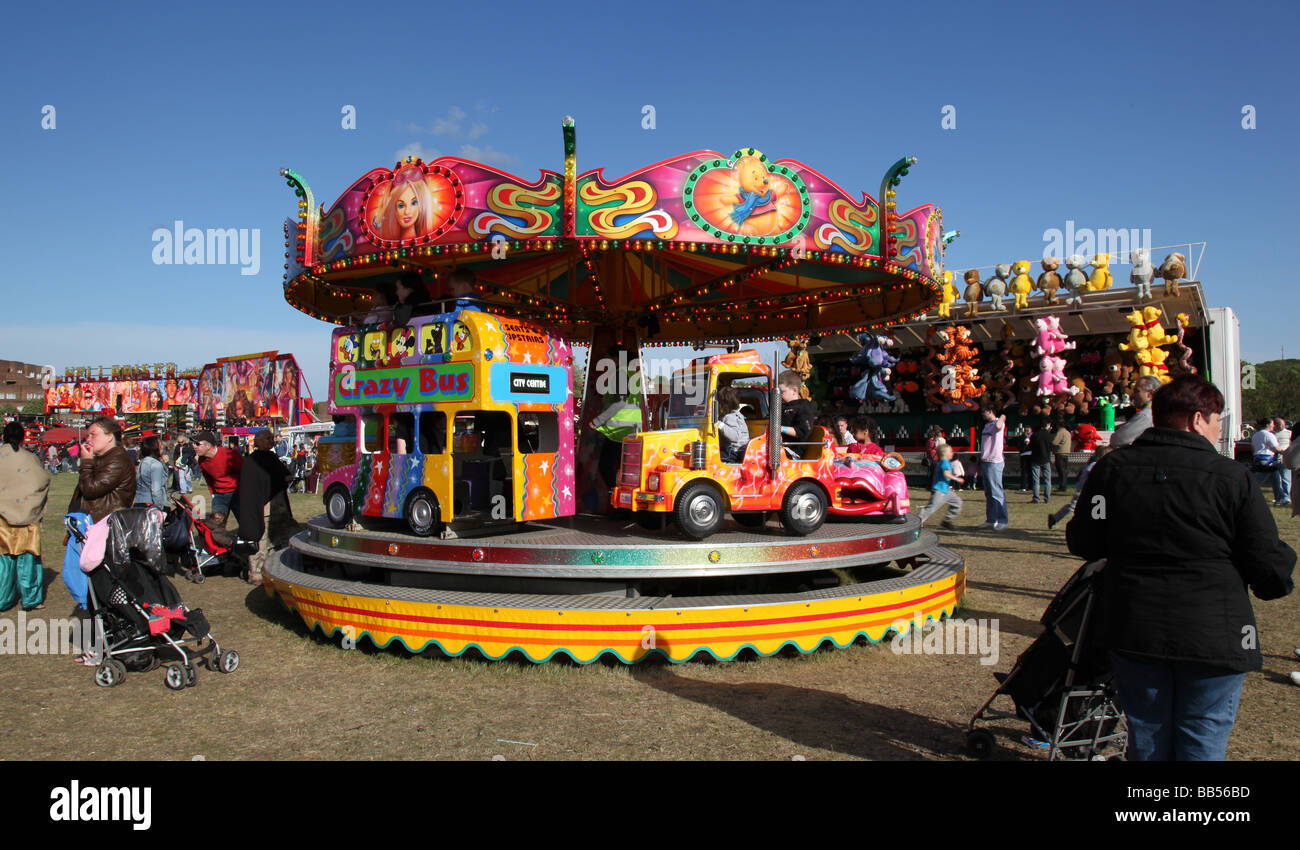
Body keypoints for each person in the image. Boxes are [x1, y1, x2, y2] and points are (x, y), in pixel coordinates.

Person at [1066, 375, 1295, 760]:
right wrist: (1278, 571)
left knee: (1148, 737)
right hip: (1213, 632)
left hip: (1135, 626)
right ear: (1196, 419)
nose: (1220, 428)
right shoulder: (1231, 477)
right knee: (1201, 737)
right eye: (1218, 418)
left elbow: (1086, 539)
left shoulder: (1114, 470)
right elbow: (1267, 562)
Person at [65, 416, 136, 623]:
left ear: (109, 436)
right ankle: (102, 638)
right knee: (89, 586)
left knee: (101, 587)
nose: (89, 439)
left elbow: (91, 489)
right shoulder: (105, 458)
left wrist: (86, 463)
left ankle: (108, 638)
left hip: (105, 530)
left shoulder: (117, 459)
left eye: (93, 434)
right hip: (95, 528)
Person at [235, 430, 298, 586]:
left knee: (278, 537)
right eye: (268, 438)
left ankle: (274, 568)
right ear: (259, 441)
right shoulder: (251, 461)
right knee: (260, 539)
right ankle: (255, 572)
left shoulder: (272, 457)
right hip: (261, 506)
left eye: (272, 438)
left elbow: (281, 475)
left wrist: (286, 478)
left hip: (278, 504)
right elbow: (253, 485)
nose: (272, 441)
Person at [0, 421, 51, 612]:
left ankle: (2, 599)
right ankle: (30, 599)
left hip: (1, 519)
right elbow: (42, 480)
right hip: (27, 517)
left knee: (3, 561)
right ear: (23, 438)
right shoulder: (29, 459)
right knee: (28, 558)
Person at [1048, 444, 1109, 529]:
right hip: (1084, 489)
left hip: (1089, 490)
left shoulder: (1095, 464)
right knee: (1073, 507)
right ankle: (1056, 518)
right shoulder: (1094, 466)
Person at [193, 430, 242, 528]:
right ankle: (220, 542)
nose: (194, 446)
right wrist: (213, 493)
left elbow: (244, 472)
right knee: (216, 525)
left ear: (208, 446)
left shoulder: (229, 455)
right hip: (219, 496)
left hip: (237, 494)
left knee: (246, 522)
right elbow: (208, 478)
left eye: (197, 444)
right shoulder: (202, 460)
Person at [916, 443, 963, 530]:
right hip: (939, 491)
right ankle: (917, 522)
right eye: (951, 452)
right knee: (931, 507)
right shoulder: (944, 462)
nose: (952, 453)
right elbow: (946, 474)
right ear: (945, 454)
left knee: (957, 502)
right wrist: (957, 479)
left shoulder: (944, 462)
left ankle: (946, 521)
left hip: (946, 490)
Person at [976, 407, 1008, 530]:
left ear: (990, 411)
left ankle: (1002, 520)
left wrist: (1003, 415)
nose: (983, 414)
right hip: (985, 461)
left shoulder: (998, 423)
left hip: (994, 462)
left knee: (997, 492)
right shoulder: (987, 426)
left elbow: (999, 426)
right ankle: (991, 519)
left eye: (984, 411)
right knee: (989, 493)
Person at [1109, 375, 1161, 448]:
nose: (1132, 395)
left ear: (1150, 394)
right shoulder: (1158, 411)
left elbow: (1118, 439)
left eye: (1136, 391)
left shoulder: (1147, 414)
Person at [778, 370, 816, 458]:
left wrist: (780, 428)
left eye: (782, 392)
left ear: (794, 390)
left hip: (793, 451)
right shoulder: (782, 407)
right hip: (780, 447)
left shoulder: (803, 407)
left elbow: (803, 431)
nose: (779, 395)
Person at [1249, 418, 1284, 505]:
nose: (1273, 426)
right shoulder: (1269, 435)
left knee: (1272, 478)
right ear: (1268, 425)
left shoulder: (1255, 435)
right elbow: (1276, 448)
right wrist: (1285, 452)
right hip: (1268, 460)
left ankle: (1279, 498)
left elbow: (1253, 449)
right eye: (1272, 424)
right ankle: (1279, 498)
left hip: (1257, 459)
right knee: (1273, 479)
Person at [716, 386, 750, 464]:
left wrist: (719, 424)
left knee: (713, 458)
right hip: (738, 450)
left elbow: (734, 437)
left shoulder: (729, 417)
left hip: (734, 452)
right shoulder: (736, 415)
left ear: (722, 404)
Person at [133, 434, 168, 508]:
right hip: (150, 503)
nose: (162, 446)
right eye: (160, 444)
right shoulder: (156, 465)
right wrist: (159, 506)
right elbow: (156, 490)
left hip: (138, 501)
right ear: (154, 447)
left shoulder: (143, 461)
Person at [1028, 418, 1054, 503]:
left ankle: (1036, 498)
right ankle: (1047, 498)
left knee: (1036, 479)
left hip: (1035, 458)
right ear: (1048, 425)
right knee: (1047, 479)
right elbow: (1051, 447)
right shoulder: (1049, 435)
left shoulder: (1034, 435)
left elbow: (1030, 446)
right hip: (1046, 458)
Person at [1271, 417, 1291, 507]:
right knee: (1276, 479)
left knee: (1286, 479)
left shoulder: (1289, 433)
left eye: (1283, 424)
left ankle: (1286, 497)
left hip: (1285, 458)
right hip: (1273, 459)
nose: (1282, 426)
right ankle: (1278, 497)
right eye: (1279, 424)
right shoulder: (1271, 434)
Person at [1050, 416, 1072, 492]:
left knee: (1061, 471)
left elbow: (1054, 442)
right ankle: (1064, 486)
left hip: (1060, 453)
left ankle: (1062, 487)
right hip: (1066, 453)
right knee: (1064, 471)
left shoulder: (1060, 432)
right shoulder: (1067, 432)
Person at [1017, 426, 1033, 492]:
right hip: (1031, 455)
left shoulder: (1021, 437)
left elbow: (1018, 446)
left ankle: (1023, 486)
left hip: (1023, 455)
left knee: (1024, 471)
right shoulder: (1032, 437)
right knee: (1030, 471)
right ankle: (1031, 486)